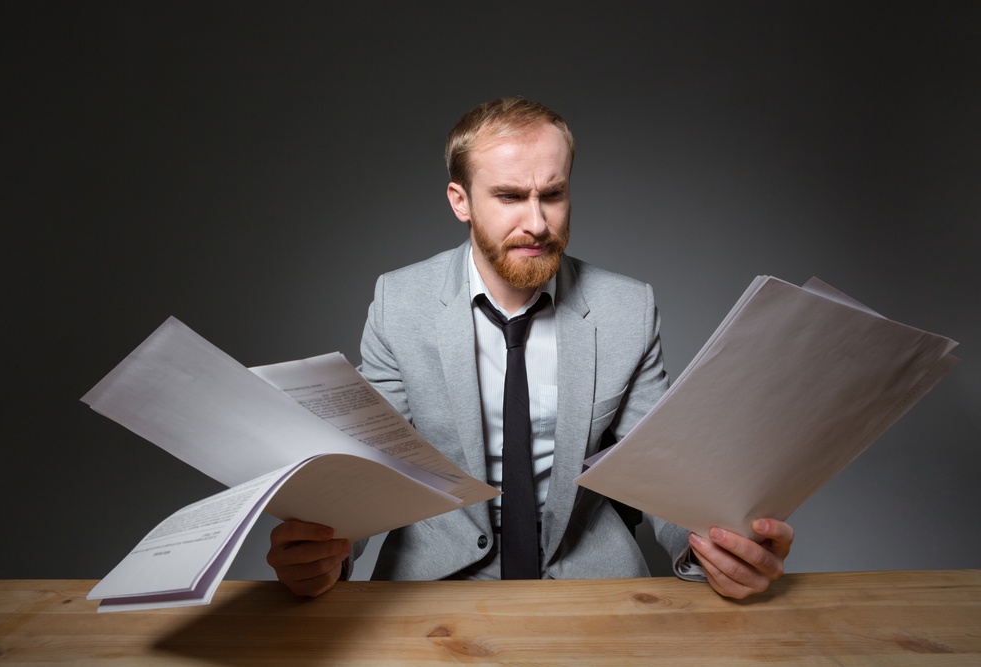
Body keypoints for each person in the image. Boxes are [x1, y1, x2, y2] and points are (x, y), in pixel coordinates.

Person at [267, 97, 794, 600]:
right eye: (510, 196)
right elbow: (372, 465)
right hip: (432, 580)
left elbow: (663, 470)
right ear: (461, 201)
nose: (537, 223)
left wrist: (712, 554)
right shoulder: (399, 302)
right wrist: (328, 556)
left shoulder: (626, 309)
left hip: (589, 578)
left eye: (554, 194)